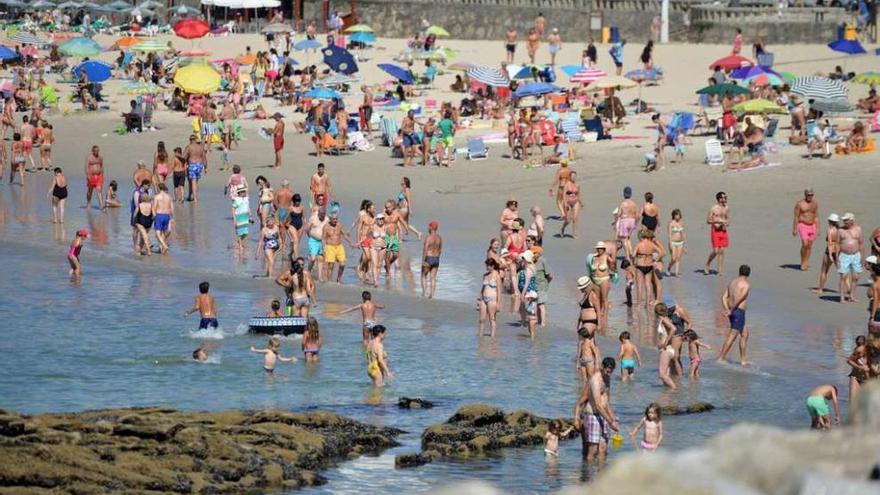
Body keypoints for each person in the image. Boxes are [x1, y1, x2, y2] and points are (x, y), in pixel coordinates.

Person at [573, 357, 619, 463]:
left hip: (604, 416)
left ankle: (602, 476)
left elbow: (606, 402)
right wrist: (576, 418)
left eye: (611, 372)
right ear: (602, 367)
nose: (609, 374)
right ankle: (589, 474)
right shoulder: (595, 380)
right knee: (592, 450)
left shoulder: (608, 378)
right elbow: (598, 405)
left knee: (603, 450)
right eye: (607, 371)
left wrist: (613, 419)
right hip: (592, 415)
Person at [717, 264, 752, 366]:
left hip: (734, 312)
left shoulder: (732, 282)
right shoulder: (746, 284)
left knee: (745, 334)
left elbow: (724, 297)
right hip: (738, 312)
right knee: (732, 336)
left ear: (739, 271)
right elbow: (739, 299)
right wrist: (731, 310)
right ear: (748, 274)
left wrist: (726, 309)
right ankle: (721, 358)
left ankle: (743, 360)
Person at [837, 212, 863, 304]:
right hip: (844, 255)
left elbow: (861, 243)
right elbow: (837, 244)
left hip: (856, 255)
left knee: (856, 277)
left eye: (846, 220)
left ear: (852, 220)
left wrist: (862, 257)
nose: (844, 222)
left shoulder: (858, 229)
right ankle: (842, 297)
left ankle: (852, 295)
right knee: (843, 276)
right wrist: (837, 258)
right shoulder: (840, 230)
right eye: (844, 220)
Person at [792, 188, 819, 271]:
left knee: (809, 245)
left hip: (812, 225)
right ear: (805, 195)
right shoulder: (799, 204)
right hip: (803, 225)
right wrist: (795, 228)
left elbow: (816, 216)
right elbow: (796, 217)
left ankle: (806, 261)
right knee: (805, 244)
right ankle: (803, 262)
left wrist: (818, 228)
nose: (810, 196)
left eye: (811, 195)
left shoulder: (815, 203)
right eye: (808, 195)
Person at [322, 213, 354, 283]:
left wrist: (350, 242)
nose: (335, 220)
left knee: (342, 264)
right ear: (330, 219)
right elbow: (323, 238)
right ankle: (329, 281)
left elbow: (344, 235)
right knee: (331, 265)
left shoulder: (339, 225)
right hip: (330, 247)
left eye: (336, 219)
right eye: (334, 219)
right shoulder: (326, 227)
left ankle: (338, 279)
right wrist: (323, 249)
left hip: (339, 246)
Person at [704, 191, 729, 276]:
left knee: (722, 251)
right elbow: (708, 220)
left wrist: (726, 223)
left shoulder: (727, 208)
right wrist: (717, 221)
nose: (725, 199)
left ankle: (720, 270)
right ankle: (707, 264)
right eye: (723, 197)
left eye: (726, 197)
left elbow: (728, 219)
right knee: (715, 251)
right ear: (719, 199)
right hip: (715, 230)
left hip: (723, 230)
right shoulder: (713, 208)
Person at [815, 213, 840, 295]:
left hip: (831, 251)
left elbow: (829, 243)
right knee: (842, 272)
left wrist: (829, 255)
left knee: (824, 271)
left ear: (829, 221)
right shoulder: (840, 230)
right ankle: (849, 290)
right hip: (838, 251)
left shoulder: (830, 230)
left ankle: (820, 289)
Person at [478, 258, 502, 338]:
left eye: (488, 266)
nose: (487, 267)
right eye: (486, 266)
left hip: (492, 299)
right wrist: (479, 298)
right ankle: (480, 337)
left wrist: (498, 303)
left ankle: (492, 337)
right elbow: (483, 288)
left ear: (492, 266)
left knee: (492, 319)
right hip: (484, 299)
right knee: (481, 319)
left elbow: (499, 290)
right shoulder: (485, 275)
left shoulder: (497, 275)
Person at [516, 250, 538, 338]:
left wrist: (522, 294)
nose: (522, 260)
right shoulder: (532, 267)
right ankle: (531, 335)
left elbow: (527, 282)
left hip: (530, 293)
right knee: (530, 314)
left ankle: (532, 336)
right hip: (532, 293)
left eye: (523, 258)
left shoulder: (528, 269)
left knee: (530, 315)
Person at [613, 186, 638, 261]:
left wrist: (615, 222)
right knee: (628, 239)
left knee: (624, 239)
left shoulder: (623, 203)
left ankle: (627, 256)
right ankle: (631, 253)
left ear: (624, 194)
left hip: (625, 220)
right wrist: (635, 223)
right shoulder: (634, 204)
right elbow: (636, 214)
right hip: (632, 221)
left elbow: (619, 213)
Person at [422, 221, 442, 299]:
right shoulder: (439, 238)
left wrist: (423, 260)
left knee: (424, 275)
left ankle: (424, 293)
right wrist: (437, 258)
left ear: (430, 228)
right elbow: (440, 250)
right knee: (433, 277)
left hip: (429, 257)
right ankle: (432, 294)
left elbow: (425, 249)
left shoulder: (428, 237)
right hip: (436, 258)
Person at [183, 134, 207, 202]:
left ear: (191, 140)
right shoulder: (201, 147)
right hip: (200, 165)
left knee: (193, 181)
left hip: (192, 165)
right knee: (196, 182)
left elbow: (184, 156)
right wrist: (205, 167)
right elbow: (204, 158)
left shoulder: (189, 147)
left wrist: (177, 155)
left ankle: (195, 198)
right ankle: (192, 196)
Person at [532, 246, 552, 327]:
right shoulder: (532, 261)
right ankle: (538, 321)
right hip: (534, 286)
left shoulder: (543, 261)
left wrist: (546, 283)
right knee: (536, 304)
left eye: (534, 253)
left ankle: (543, 323)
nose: (533, 255)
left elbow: (549, 275)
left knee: (541, 305)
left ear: (539, 253)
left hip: (542, 285)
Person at [846, 335, 869, 405]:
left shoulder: (871, 351)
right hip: (855, 377)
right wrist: (859, 367)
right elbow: (849, 361)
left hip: (867, 380)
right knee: (852, 403)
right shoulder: (858, 350)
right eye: (858, 345)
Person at [152, 183, 174, 254]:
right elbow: (172, 209)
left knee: (157, 234)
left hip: (159, 215)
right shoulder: (169, 197)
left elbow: (154, 208)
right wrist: (172, 218)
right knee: (163, 234)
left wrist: (154, 216)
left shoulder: (157, 196)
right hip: (167, 215)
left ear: (159, 188)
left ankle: (164, 246)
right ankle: (161, 249)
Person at [560, 170, 582, 238]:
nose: (573, 177)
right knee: (568, 220)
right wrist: (565, 203)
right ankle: (563, 228)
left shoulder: (577, 185)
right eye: (572, 176)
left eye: (574, 176)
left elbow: (578, 194)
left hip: (575, 202)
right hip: (568, 202)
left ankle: (574, 233)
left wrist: (581, 202)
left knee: (575, 218)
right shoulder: (566, 184)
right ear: (569, 177)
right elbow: (563, 194)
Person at [667, 209, 687, 276]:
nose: (678, 216)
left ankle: (676, 273)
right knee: (673, 258)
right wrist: (670, 243)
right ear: (674, 215)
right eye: (676, 215)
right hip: (673, 242)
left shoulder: (681, 223)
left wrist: (685, 245)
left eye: (679, 215)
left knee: (678, 258)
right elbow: (669, 234)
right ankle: (669, 268)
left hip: (680, 242)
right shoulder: (671, 223)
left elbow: (683, 234)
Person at [84, 145, 104, 209]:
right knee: (90, 190)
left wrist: (102, 174)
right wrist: (87, 175)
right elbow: (86, 167)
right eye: (95, 151)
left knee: (99, 190)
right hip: (91, 176)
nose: (96, 152)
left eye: (98, 151)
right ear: (92, 151)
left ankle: (101, 205)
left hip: (99, 176)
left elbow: (101, 166)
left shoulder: (100, 157)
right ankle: (88, 203)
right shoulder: (89, 158)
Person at [231, 186, 251, 252]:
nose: (244, 193)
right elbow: (233, 209)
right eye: (242, 192)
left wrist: (250, 214)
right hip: (239, 217)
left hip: (245, 217)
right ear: (239, 193)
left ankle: (239, 241)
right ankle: (240, 245)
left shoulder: (246, 198)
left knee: (246, 232)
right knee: (239, 232)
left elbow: (248, 206)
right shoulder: (236, 199)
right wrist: (234, 219)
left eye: (244, 191)